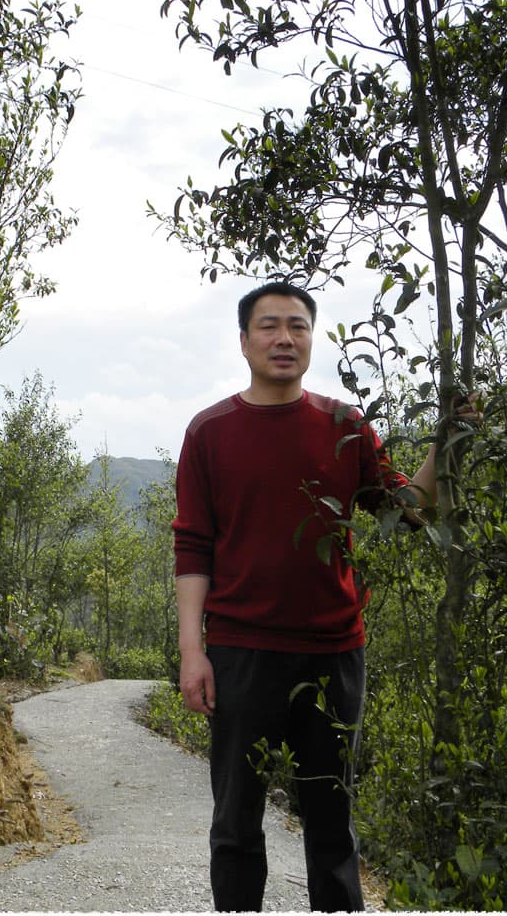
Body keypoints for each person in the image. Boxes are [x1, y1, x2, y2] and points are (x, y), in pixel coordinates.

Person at [173, 281, 455, 912]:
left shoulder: (345, 425)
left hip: (333, 652)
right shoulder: (210, 433)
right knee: (237, 822)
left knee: (332, 820)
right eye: (269, 327)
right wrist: (194, 652)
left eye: (297, 326)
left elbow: (404, 509)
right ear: (243, 342)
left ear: (313, 339)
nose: (284, 338)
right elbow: (192, 547)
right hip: (243, 651)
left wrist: (448, 442)